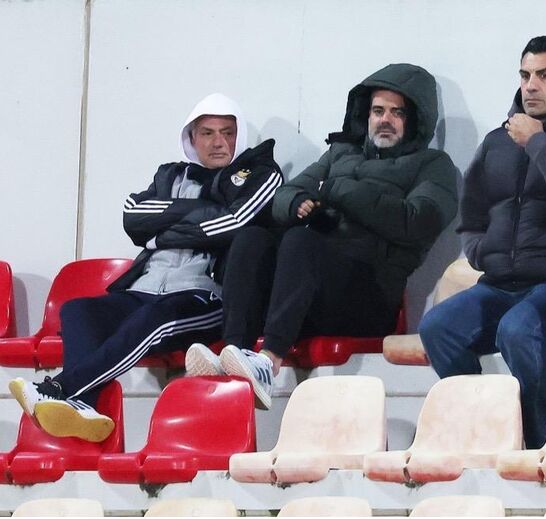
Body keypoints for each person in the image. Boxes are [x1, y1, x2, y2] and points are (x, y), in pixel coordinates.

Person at [9, 93, 282, 442]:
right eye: (208, 133)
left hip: (205, 296)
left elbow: (235, 223)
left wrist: (161, 232)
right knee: (79, 310)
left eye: (227, 133)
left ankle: (62, 388)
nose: (218, 142)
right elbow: (133, 215)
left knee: (152, 319)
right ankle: (86, 404)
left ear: (238, 136)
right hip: (146, 289)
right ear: (191, 139)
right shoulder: (169, 176)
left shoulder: (256, 174)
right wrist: (194, 213)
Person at [185, 63, 459, 410]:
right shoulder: (340, 153)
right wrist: (299, 202)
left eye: (396, 112)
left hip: (369, 297)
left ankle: (268, 361)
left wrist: (338, 190)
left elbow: (415, 221)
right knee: (253, 238)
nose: (384, 119)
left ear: (415, 120)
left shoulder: (432, 165)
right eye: (377, 111)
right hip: (310, 290)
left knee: (301, 242)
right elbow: (284, 195)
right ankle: (232, 353)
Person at [418, 36, 546, 448]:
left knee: (519, 330)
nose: (530, 85)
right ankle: (484, 432)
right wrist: (479, 250)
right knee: (438, 327)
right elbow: (473, 209)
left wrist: (536, 140)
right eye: (525, 75)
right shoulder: (497, 141)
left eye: (544, 75)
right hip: (498, 284)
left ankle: (542, 447)